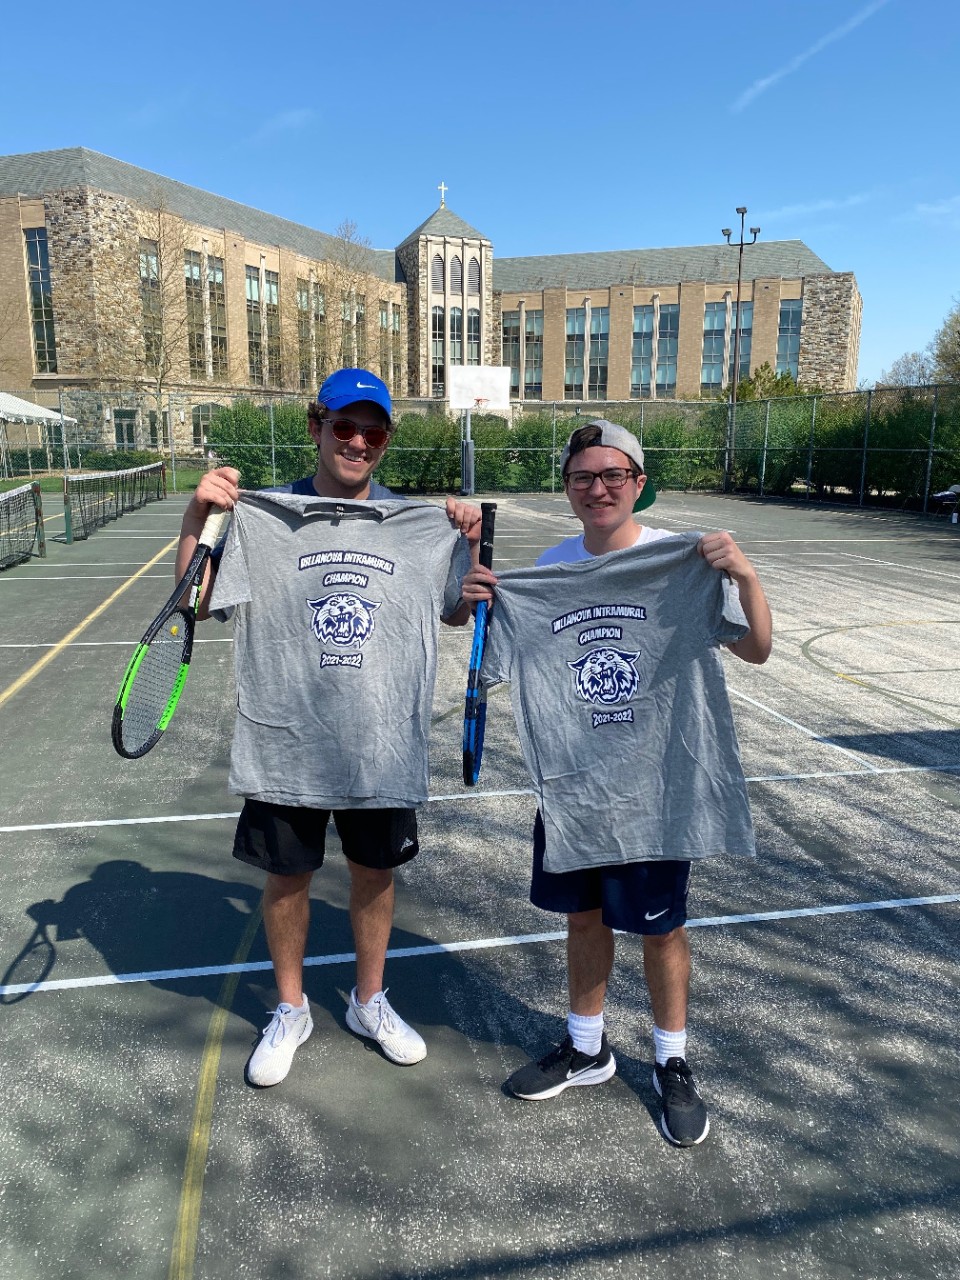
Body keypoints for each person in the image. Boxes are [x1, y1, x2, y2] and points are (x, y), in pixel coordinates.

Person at [462, 419, 771, 1146]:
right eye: (582, 478)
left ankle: (672, 1061)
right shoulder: (546, 570)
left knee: (662, 931)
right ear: (567, 488)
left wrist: (745, 576)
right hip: (575, 788)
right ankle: (587, 1045)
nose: (597, 489)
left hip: (657, 788)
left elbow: (756, 650)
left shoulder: (680, 560)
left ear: (638, 479)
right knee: (584, 919)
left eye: (612, 475)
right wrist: (470, 595)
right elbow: (487, 659)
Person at [175, 368, 481, 1087]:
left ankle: (369, 999)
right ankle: (290, 1008)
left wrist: (468, 545)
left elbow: (456, 610)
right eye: (344, 426)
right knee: (288, 880)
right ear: (316, 427)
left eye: (372, 432)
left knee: (375, 876)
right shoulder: (263, 517)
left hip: (379, 741)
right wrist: (197, 519)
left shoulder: (420, 524)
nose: (358, 442)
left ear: (385, 442)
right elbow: (195, 599)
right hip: (287, 737)